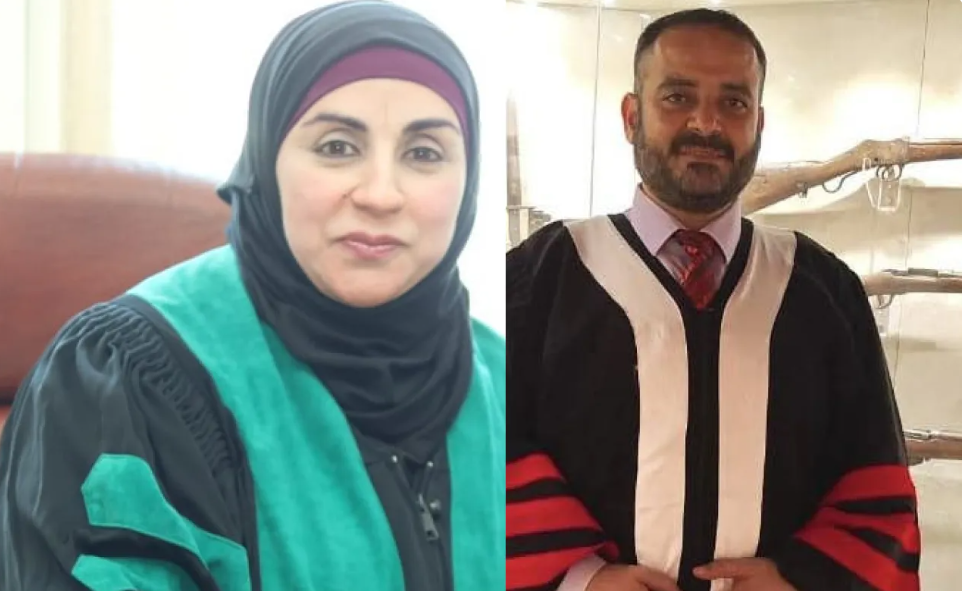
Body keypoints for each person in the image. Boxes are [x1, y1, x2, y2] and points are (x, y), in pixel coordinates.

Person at [0, 2, 503, 590]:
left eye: (424, 153)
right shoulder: (125, 383)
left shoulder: (505, 377)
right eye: (337, 146)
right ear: (266, 160)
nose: (381, 194)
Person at [506, 8, 918, 591]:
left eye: (734, 102)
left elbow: (875, 478)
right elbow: (470, 449)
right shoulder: (541, 278)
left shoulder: (824, 290)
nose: (706, 123)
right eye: (677, 97)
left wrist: (801, 579)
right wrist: (579, 579)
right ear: (631, 116)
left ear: (758, 123)